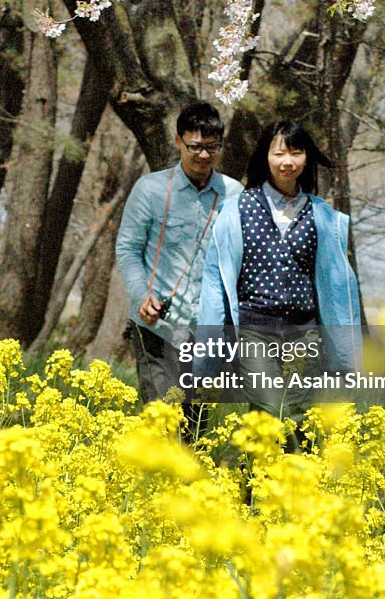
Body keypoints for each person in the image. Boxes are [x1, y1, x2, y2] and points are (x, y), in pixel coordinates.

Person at [198, 120, 361, 429]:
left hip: (304, 331)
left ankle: (276, 476)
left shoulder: (321, 213)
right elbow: (215, 279)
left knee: (299, 418)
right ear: (266, 157)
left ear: (306, 158)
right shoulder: (239, 208)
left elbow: (338, 285)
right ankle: (259, 474)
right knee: (272, 407)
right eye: (279, 153)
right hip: (254, 328)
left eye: (296, 153)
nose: (288, 162)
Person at [116, 102, 243, 415]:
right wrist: (142, 296)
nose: (203, 155)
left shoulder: (234, 193)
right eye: (195, 146)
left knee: (194, 425)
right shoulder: (150, 190)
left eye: (212, 147)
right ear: (178, 141)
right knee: (162, 417)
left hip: (208, 330)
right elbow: (128, 248)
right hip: (156, 326)